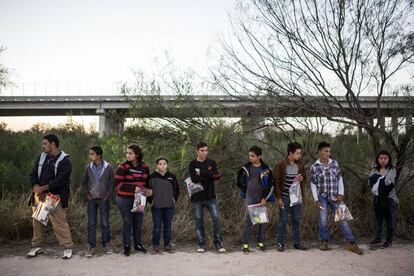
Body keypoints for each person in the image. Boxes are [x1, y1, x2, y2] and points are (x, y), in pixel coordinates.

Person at [310, 141, 362, 255]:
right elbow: (313, 184)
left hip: (335, 196)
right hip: (322, 196)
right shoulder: (315, 167)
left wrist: (341, 194)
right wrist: (316, 199)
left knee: (342, 219)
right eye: (325, 151)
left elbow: (339, 179)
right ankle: (324, 242)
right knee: (323, 220)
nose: (328, 153)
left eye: (329, 151)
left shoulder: (334, 164)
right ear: (320, 152)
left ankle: (351, 243)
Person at [28, 134, 74, 259]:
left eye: (45, 144)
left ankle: (67, 247)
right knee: (38, 220)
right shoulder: (42, 157)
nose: (43, 146)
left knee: (60, 223)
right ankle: (36, 246)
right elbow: (33, 174)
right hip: (41, 195)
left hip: (55, 196)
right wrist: (36, 187)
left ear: (53, 144)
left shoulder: (65, 161)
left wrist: (44, 189)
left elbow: (60, 180)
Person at [189, 141, 226, 253]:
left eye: (206, 150)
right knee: (199, 220)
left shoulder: (211, 162)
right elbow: (194, 179)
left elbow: (217, 176)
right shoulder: (192, 164)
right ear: (197, 151)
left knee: (216, 219)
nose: (204, 153)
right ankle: (201, 244)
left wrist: (202, 173)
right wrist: (209, 176)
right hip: (197, 198)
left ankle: (218, 243)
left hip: (210, 196)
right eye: (202, 150)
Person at [237, 145, 274, 253]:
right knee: (248, 221)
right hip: (250, 197)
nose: (250, 158)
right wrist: (246, 190)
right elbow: (239, 182)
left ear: (259, 156)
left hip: (261, 198)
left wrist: (264, 198)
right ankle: (245, 244)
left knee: (261, 221)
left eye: (253, 156)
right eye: (249, 156)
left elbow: (270, 185)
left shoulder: (266, 169)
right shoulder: (245, 168)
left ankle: (260, 242)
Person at [115, 144, 150, 256]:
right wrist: (133, 188)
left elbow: (147, 182)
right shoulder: (123, 166)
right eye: (127, 153)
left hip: (140, 198)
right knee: (127, 222)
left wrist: (149, 191)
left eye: (130, 153)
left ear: (137, 154)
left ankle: (138, 244)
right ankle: (126, 246)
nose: (128, 155)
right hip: (124, 199)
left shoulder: (145, 166)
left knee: (138, 222)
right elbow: (117, 184)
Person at [81, 146, 115, 257]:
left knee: (105, 223)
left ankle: (106, 244)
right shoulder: (88, 168)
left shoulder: (108, 167)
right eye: (90, 154)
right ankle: (91, 245)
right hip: (92, 200)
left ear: (99, 155)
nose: (90, 156)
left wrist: (108, 195)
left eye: (92, 154)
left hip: (103, 199)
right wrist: (87, 194)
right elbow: (84, 183)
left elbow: (112, 183)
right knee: (91, 223)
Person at [274, 142, 307, 252]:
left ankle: (296, 243)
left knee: (296, 219)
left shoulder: (300, 164)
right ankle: (280, 243)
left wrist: (302, 178)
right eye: (297, 153)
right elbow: (276, 182)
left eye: (300, 153)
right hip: (284, 196)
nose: (299, 155)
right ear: (290, 153)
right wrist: (279, 198)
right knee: (283, 220)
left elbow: (304, 178)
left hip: (296, 196)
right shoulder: (281, 164)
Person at [146, 157, 180, 254]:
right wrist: (151, 201)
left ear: (167, 165)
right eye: (160, 164)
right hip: (156, 206)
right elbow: (148, 191)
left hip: (169, 206)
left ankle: (167, 245)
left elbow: (177, 189)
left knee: (167, 226)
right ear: (157, 165)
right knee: (156, 226)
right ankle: (155, 246)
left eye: (164, 164)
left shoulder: (171, 176)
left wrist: (174, 200)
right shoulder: (152, 177)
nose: (162, 165)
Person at [368, 150, 398, 248]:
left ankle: (389, 241)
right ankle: (378, 238)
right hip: (377, 198)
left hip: (389, 198)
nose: (383, 160)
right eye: (380, 158)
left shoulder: (392, 169)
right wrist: (381, 180)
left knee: (389, 219)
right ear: (378, 159)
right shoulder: (374, 170)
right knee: (378, 219)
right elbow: (370, 182)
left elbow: (389, 183)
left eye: (385, 158)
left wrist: (377, 180)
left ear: (388, 159)